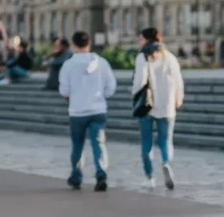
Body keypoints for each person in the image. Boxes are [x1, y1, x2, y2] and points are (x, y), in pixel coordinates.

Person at [59, 31, 117, 192]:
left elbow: (64, 91)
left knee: (77, 145)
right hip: (98, 110)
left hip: (77, 112)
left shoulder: (68, 65)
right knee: (99, 143)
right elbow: (111, 87)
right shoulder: (102, 62)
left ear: (74, 44)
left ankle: (76, 176)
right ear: (89, 43)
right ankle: (101, 173)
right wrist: (100, 97)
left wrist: (73, 99)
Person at [131, 27, 184, 191]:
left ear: (147, 40)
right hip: (167, 105)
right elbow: (178, 80)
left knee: (146, 142)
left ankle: (150, 178)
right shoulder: (170, 57)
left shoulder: (143, 57)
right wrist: (178, 98)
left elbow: (140, 80)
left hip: (148, 105)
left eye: (140, 39)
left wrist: (134, 95)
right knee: (166, 140)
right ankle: (166, 163)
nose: (139, 42)